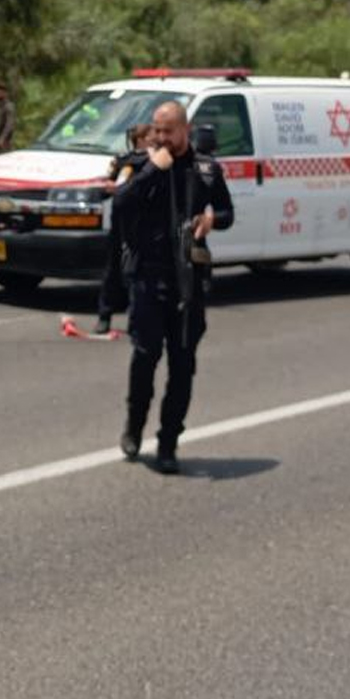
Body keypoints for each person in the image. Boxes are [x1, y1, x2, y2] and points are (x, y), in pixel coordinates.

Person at [110, 101, 234, 474]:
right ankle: (134, 426)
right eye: (157, 131)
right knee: (145, 358)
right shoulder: (139, 165)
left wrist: (212, 218)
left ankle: (168, 443)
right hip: (149, 279)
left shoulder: (206, 170)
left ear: (186, 130)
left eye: (169, 131)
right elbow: (119, 206)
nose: (161, 138)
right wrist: (151, 171)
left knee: (183, 367)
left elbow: (227, 212)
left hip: (189, 284)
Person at [95, 123, 153, 337]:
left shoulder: (152, 163)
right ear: (141, 139)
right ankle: (104, 315)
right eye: (150, 135)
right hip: (120, 222)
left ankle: (135, 316)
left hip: (142, 223)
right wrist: (107, 187)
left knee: (138, 271)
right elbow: (106, 191)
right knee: (113, 269)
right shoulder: (122, 162)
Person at [0, 84, 17, 154]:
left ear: (5, 94)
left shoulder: (8, 106)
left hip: (5, 139)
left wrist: (2, 138)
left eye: (0, 93)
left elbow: (9, 124)